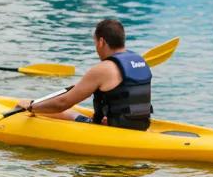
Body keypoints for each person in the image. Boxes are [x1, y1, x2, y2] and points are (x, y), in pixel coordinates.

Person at [14, 18, 152, 129]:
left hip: (113, 130)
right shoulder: (140, 61)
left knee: (60, 112)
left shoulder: (103, 68)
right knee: (71, 114)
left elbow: (62, 103)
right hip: (141, 126)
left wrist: (32, 107)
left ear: (101, 42)